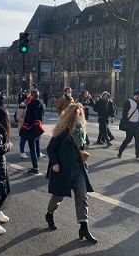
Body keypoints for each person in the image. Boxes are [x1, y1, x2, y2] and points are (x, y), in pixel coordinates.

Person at [45, 103, 97, 244]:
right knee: (58, 197)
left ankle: (84, 228)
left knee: (82, 196)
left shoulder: (81, 132)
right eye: (77, 115)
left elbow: (81, 146)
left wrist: (81, 138)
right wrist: (55, 163)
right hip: (63, 169)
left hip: (78, 168)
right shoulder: (62, 131)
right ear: (70, 116)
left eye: (81, 115)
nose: (79, 118)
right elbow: (50, 149)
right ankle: (49, 214)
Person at [117, 90, 139, 161]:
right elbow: (124, 113)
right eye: (136, 95)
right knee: (128, 139)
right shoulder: (129, 102)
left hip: (138, 124)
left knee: (138, 141)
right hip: (130, 124)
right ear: (133, 95)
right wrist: (126, 123)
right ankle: (120, 151)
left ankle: (138, 155)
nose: (137, 96)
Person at [24, 90, 45, 174]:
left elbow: (27, 118)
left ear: (32, 96)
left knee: (32, 147)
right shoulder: (42, 104)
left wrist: (25, 124)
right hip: (39, 126)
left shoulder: (30, 105)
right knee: (37, 144)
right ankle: (37, 160)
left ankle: (35, 166)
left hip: (31, 127)